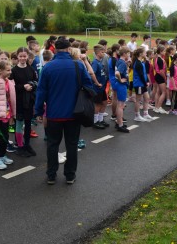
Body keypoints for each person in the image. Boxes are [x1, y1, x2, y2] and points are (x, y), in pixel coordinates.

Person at [35, 37, 93, 185]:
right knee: (72, 145)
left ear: (55, 48)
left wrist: (39, 111)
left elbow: (41, 91)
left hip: (54, 113)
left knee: (52, 145)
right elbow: (89, 85)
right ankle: (69, 175)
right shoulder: (78, 65)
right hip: (74, 112)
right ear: (68, 49)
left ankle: (51, 174)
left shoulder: (48, 67)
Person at [10, 47, 38, 157]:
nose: (22, 58)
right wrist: (23, 87)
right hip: (18, 100)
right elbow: (12, 86)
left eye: (24, 56)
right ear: (17, 56)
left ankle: (27, 144)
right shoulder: (13, 71)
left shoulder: (31, 69)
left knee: (28, 122)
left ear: (27, 56)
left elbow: (36, 81)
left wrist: (32, 85)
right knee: (19, 122)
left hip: (29, 100)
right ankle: (20, 146)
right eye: (20, 56)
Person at [132, 47, 157, 122]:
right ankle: (137, 115)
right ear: (140, 54)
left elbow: (144, 74)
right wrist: (145, 82)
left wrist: (146, 81)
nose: (145, 53)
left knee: (147, 98)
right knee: (138, 100)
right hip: (139, 84)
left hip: (142, 83)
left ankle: (145, 114)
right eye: (144, 52)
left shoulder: (141, 62)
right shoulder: (138, 63)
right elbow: (141, 75)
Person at [91, 45, 109, 129]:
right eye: (102, 52)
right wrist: (97, 83)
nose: (104, 54)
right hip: (97, 88)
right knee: (98, 104)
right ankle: (95, 121)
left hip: (102, 88)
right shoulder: (95, 62)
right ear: (98, 53)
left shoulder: (100, 61)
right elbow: (92, 73)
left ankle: (100, 119)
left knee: (104, 102)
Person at [114, 47, 130, 132]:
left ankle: (118, 121)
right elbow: (117, 73)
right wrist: (120, 79)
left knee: (119, 105)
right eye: (128, 53)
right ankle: (120, 125)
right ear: (124, 54)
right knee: (121, 105)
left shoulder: (120, 61)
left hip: (119, 85)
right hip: (121, 85)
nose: (129, 55)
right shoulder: (122, 63)